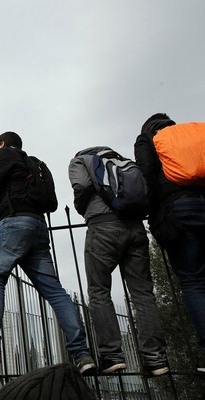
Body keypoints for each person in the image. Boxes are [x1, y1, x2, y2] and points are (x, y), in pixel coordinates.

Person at [0, 132, 96, 374]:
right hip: (37, 227)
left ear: (1, 144)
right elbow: (47, 202)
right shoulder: (35, 165)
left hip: (14, 224)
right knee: (55, 291)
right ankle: (82, 354)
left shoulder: (4, 154)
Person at [68, 146, 169, 375]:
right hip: (135, 228)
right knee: (143, 293)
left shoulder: (80, 161)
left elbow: (82, 188)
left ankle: (112, 356)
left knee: (99, 291)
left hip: (103, 227)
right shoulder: (121, 160)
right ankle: (156, 359)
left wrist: (82, 208)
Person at [135, 113, 205, 373]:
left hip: (179, 207)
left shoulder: (149, 139)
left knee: (193, 282)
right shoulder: (193, 135)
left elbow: (147, 178)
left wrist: (151, 213)